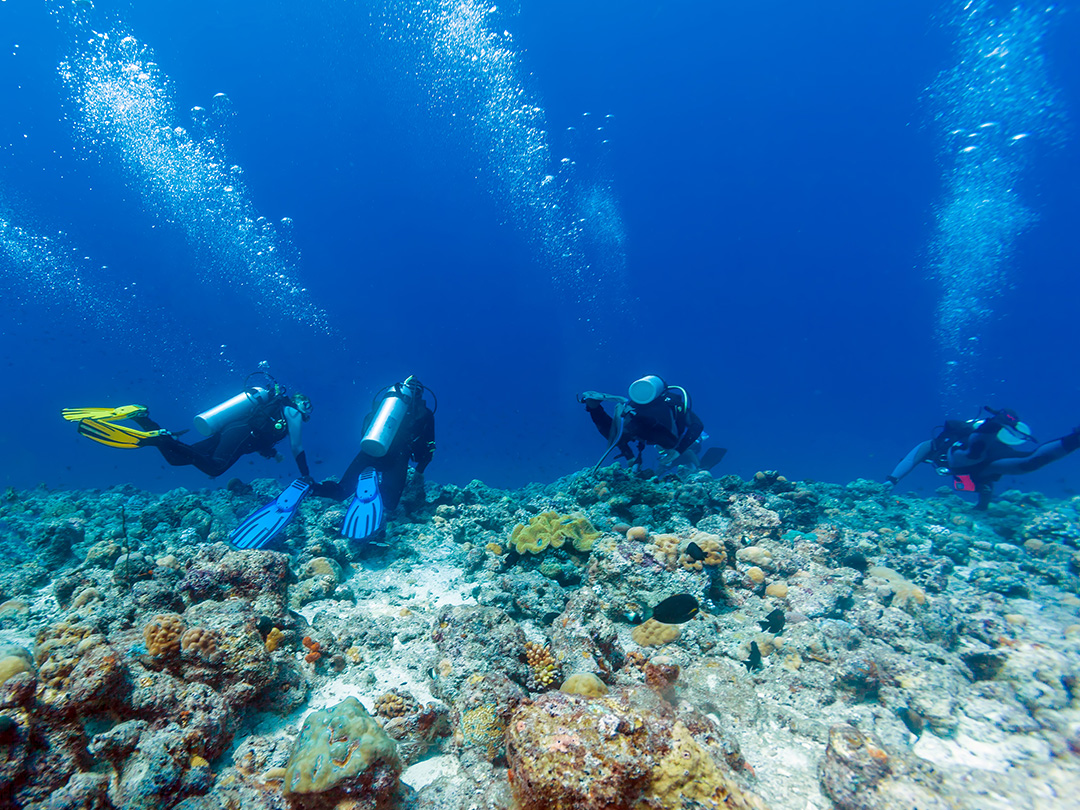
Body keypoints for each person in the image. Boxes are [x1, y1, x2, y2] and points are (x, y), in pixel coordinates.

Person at [64, 371, 313, 479]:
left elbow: (263, 431)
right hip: (240, 433)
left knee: (177, 459)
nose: (306, 413)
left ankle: (141, 417)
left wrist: (269, 453)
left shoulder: (275, 409)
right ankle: (162, 438)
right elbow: (297, 446)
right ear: (301, 403)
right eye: (307, 407)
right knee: (215, 468)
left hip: (233, 429)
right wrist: (305, 475)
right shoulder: (291, 411)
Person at [309, 376, 435, 541]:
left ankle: (312, 488)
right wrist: (419, 471)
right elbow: (430, 447)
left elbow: (365, 428)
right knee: (390, 503)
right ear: (421, 394)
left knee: (342, 491)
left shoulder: (384, 404)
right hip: (398, 456)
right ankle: (374, 486)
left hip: (370, 450)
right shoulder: (425, 414)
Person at [886, 406, 1080, 510]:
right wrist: (982, 506)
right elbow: (985, 487)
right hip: (988, 463)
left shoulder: (934, 446)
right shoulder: (979, 477)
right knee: (1027, 464)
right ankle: (1075, 440)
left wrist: (892, 480)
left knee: (969, 456)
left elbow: (912, 458)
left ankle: (994, 424)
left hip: (970, 456)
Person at [578, 375, 724, 474]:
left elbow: (616, 436)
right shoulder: (672, 404)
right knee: (670, 447)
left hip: (640, 425)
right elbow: (697, 426)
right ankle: (697, 468)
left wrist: (630, 456)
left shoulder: (639, 403)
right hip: (661, 435)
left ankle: (594, 408)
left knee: (617, 434)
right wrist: (678, 450)